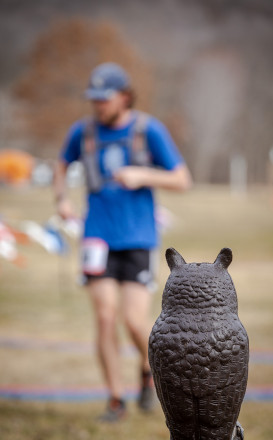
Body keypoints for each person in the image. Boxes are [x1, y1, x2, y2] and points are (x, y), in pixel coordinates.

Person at [54, 62, 192, 422]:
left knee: (134, 322)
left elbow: (182, 179)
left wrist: (142, 174)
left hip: (138, 238)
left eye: (105, 98)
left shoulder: (149, 130)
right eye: (93, 99)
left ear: (125, 96)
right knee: (104, 317)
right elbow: (60, 164)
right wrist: (62, 199)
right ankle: (116, 399)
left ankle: (148, 371)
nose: (98, 105)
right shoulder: (81, 132)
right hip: (96, 236)